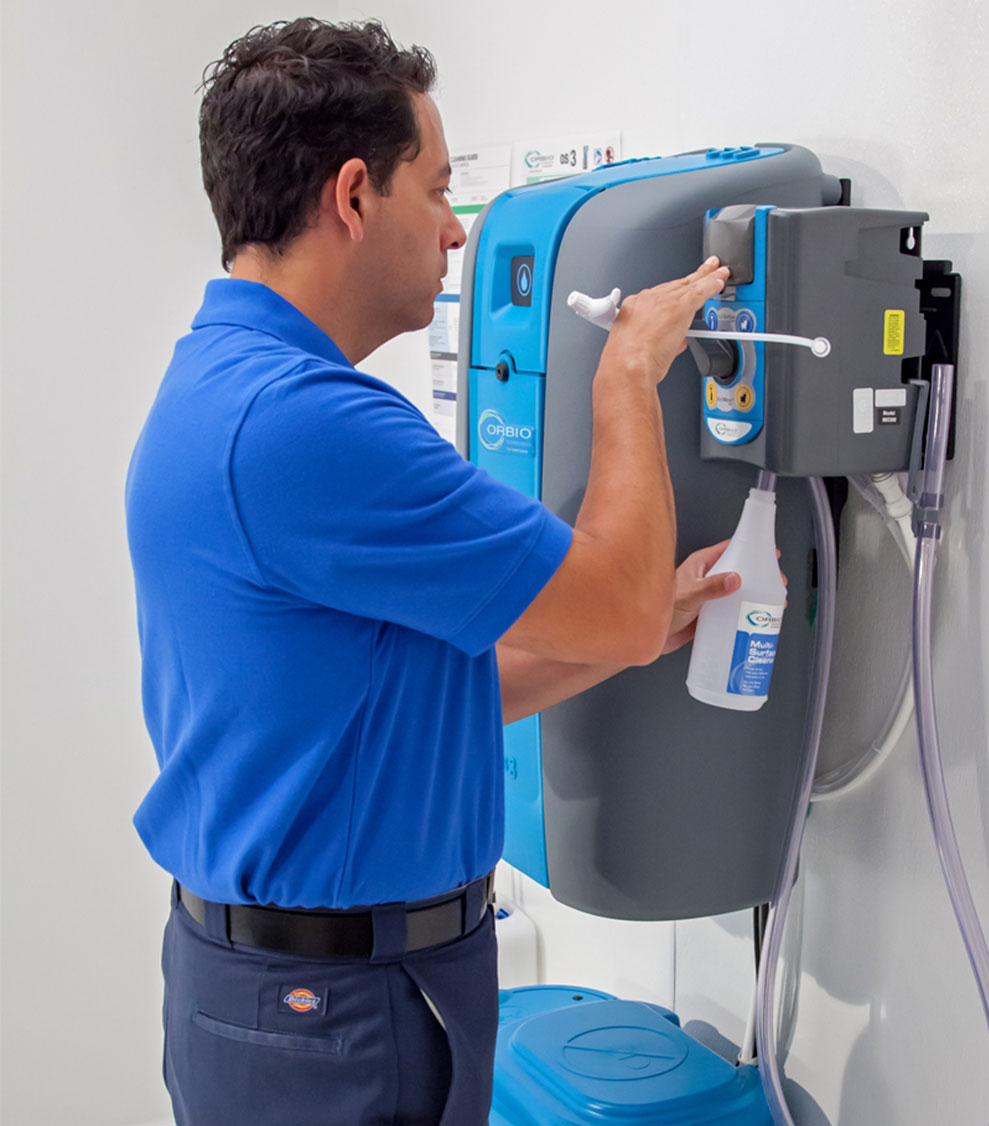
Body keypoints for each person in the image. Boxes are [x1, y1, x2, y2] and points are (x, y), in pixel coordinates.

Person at [125, 17, 737, 1126]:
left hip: (301, 991)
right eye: (439, 189)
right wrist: (627, 376)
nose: (456, 233)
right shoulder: (309, 426)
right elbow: (616, 598)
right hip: (334, 1010)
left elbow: (418, 699)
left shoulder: (219, 383)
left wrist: (642, 626)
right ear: (354, 196)